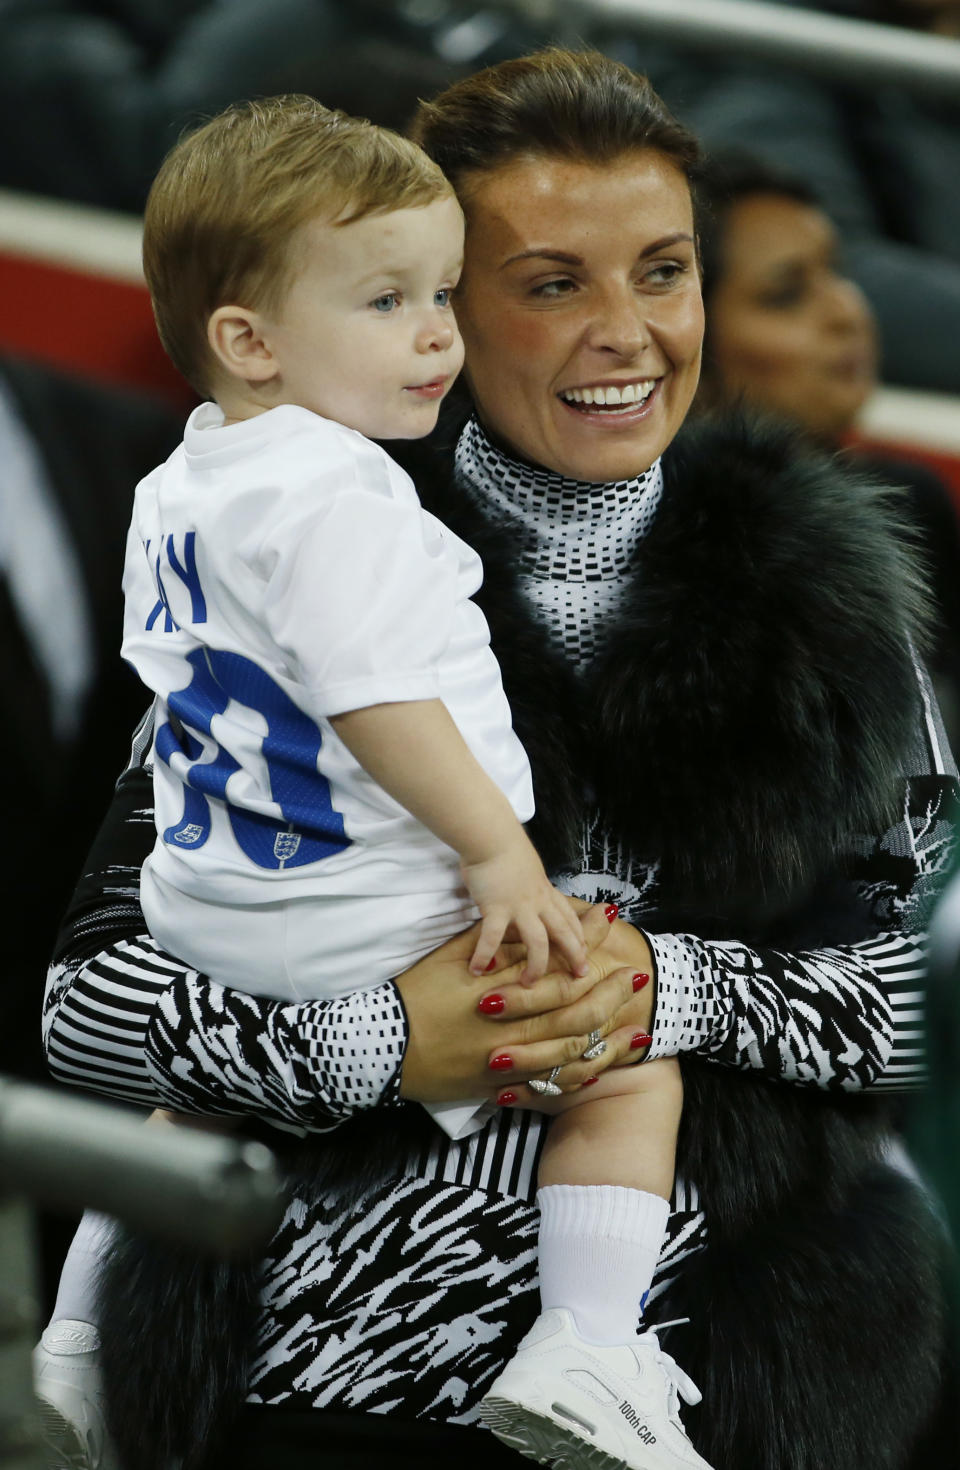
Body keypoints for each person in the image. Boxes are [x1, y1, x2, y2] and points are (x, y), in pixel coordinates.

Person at [39, 48, 956, 1470]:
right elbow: (86, 1005)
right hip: (295, 1373)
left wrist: (660, 990)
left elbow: (888, 1014)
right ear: (440, 308)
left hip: (714, 1386)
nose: (628, 331)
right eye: (551, 284)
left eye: (662, 271)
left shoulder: (838, 607)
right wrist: (378, 1038)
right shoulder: (294, 543)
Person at [693, 152, 960, 749]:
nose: (845, 312)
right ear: (689, 332)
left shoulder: (907, 500)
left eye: (836, 271)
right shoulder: (668, 551)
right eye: (786, 294)